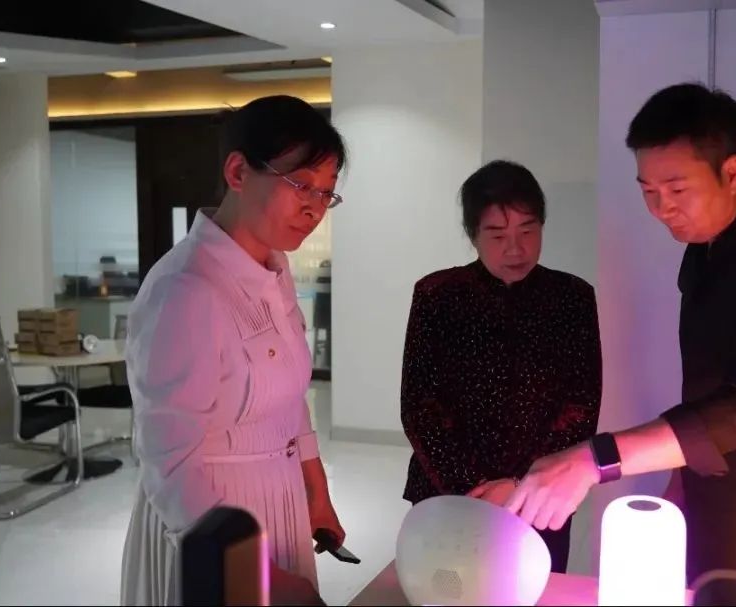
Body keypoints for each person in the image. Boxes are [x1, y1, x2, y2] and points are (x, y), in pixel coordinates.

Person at [505, 83, 736, 583]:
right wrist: (681, 482)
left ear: (732, 173)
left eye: (677, 190)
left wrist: (593, 460)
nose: (662, 208)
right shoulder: (702, 250)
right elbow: (705, 386)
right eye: (648, 191)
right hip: (705, 503)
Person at [120, 95, 347, 606]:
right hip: (211, 525)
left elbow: (290, 397)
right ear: (239, 171)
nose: (314, 208)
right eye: (301, 185)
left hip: (277, 500)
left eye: (326, 193)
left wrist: (316, 493)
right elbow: (169, 462)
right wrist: (256, 575)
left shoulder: (275, 268)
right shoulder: (185, 290)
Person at [400, 160, 602, 573]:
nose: (515, 249)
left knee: (535, 589)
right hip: (450, 492)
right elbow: (420, 406)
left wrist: (520, 485)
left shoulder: (573, 297)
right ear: (473, 235)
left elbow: (581, 405)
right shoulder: (437, 296)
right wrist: (474, 487)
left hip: (540, 495)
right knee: (447, 590)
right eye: (497, 235)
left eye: (527, 231)